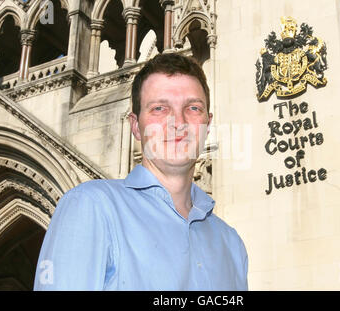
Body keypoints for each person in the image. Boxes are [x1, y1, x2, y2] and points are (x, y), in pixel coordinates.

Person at [33, 53, 248, 290]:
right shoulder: (92, 206)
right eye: (159, 108)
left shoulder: (232, 244)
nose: (178, 122)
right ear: (135, 126)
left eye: (193, 108)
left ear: (207, 125)